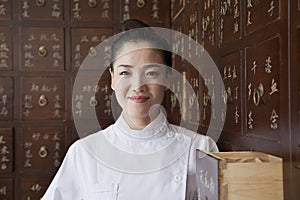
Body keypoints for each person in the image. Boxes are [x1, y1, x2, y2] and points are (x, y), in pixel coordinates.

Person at [43, 19, 218, 200]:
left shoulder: (199, 149)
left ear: (167, 79)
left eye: (151, 73)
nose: (138, 86)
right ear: (112, 79)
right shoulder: (83, 153)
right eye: (125, 73)